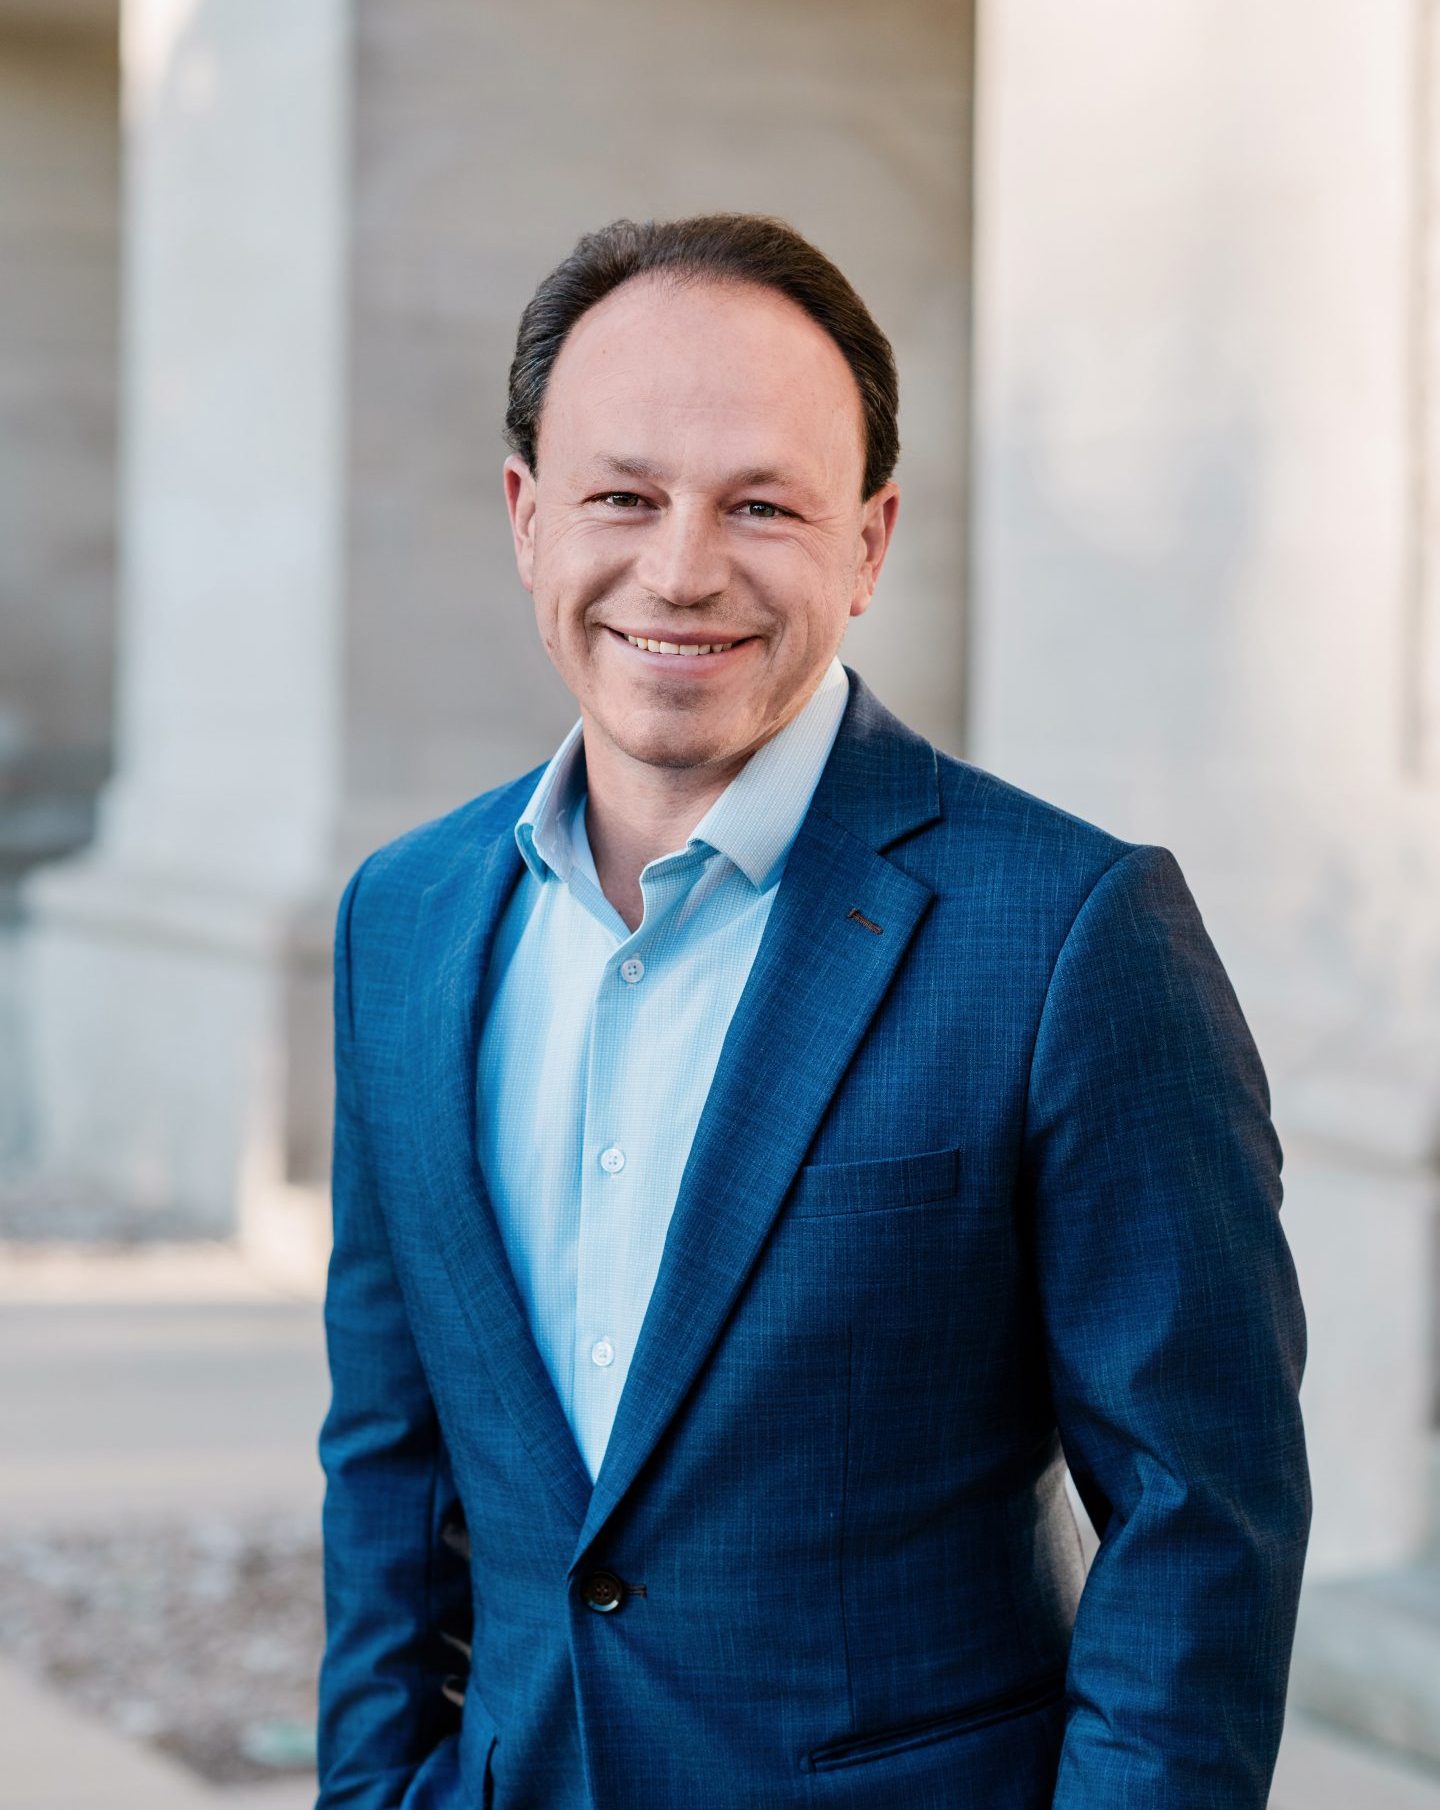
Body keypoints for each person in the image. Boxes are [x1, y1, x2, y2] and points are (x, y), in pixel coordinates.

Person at [315, 213, 1310, 1810]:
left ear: (869, 542)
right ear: (526, 518)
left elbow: (1203, 1521)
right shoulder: (405, 920)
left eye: (762, 504)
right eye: (623, 496)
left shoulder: (1073, 935)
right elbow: (389, 1462)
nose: (681, 567)